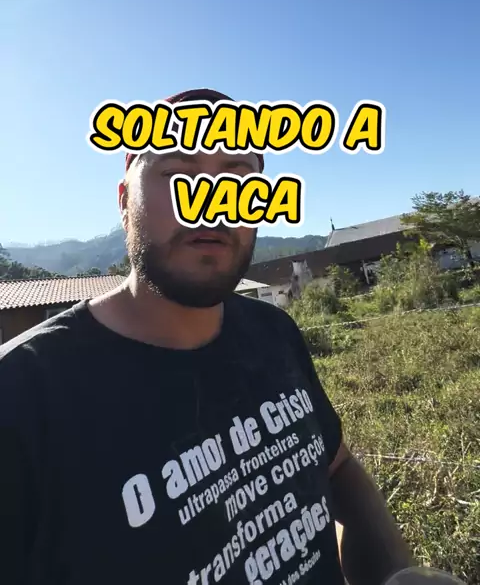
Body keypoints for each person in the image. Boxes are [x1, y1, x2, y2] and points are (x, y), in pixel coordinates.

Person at [0, 88, 414, 585]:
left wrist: (398, 572)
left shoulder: (274, 332)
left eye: (239, 179)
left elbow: (336, 466)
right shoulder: (22, 399)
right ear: (125, 201)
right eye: (178, 173)